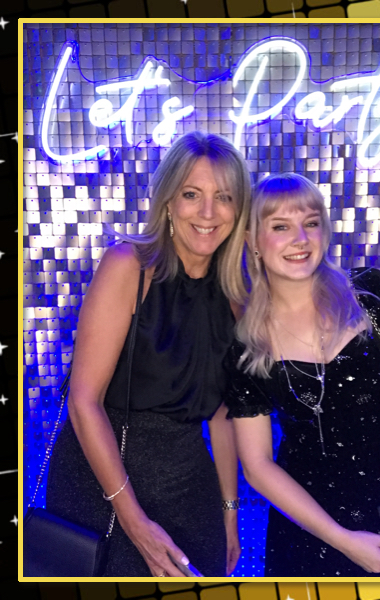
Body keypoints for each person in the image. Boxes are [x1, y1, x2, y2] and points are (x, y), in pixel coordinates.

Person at [44, 131, 251, 577]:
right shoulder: (128, 266)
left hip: (188, 486)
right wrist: (134, 522)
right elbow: (83, 401)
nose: (208, 212)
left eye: (224, 197)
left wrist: (230, 513)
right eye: (192, 194)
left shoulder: (236, 298)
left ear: (239, 210)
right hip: (101, 483)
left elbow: (222, 415)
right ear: (168, 202)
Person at [224, 173, 380, 576]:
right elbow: (257, 465)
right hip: (309, 536)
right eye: (280, 227)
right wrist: (341, 539)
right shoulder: (247, 344)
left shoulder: (374, 296)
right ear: (253, 241)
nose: (300, 239)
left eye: (311, 222)